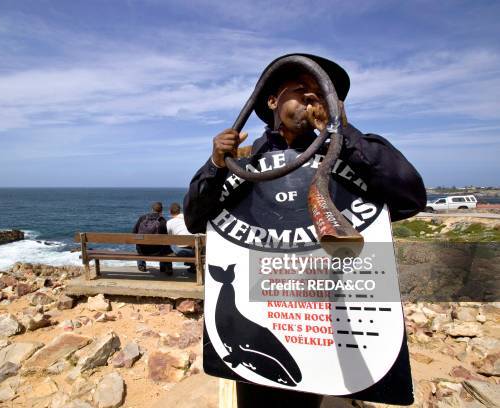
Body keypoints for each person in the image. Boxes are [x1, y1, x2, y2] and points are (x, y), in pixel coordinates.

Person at [183, 53, 426, 407]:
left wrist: (346, 134)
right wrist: (215, 164)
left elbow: (410, 197)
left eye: (319, 92)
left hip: (321, 314)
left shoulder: (349, 151)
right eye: (300, 89)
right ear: (271, 101)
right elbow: (195, 217)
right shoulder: (245, 160)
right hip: (262, 305)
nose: (311, 97)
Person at [132, 202, 173, 275]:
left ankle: (141, 265)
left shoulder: (142, 218)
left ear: (152, 209)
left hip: (142, 251)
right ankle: (165, 267)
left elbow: (134, 232)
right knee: (167, 246)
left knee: (139, 244)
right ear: (161, 211)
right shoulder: (162, 221)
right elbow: (166, 238)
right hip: (158, 251)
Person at [166, 202, 195, 273]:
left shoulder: (169, 222)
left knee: (169, 242)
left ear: (170, 212)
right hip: (194, 251)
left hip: (180, 251)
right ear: (180, 210)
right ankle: (193, 267)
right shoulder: (190, 219)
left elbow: (168, 238)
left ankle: (168, 268)